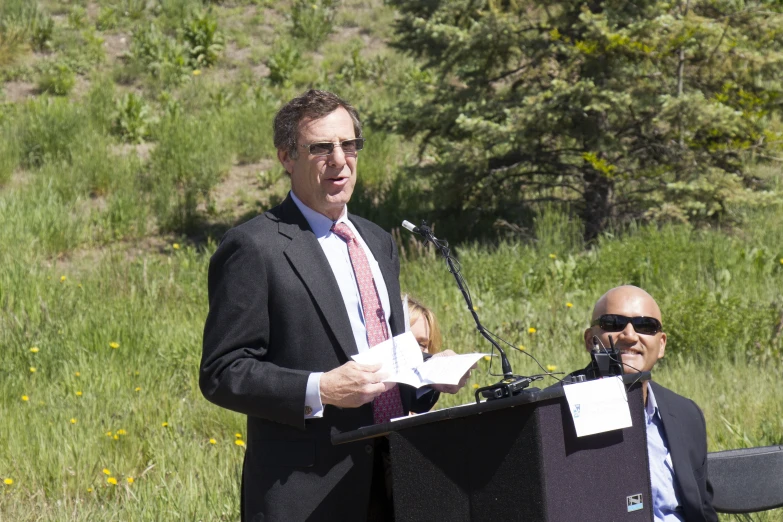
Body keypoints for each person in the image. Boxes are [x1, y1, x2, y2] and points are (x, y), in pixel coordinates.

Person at [200, 89, 470, 522]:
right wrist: (321, 390)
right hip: (307, 493)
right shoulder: (254, 248)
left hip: (395, 479)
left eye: (349, 145)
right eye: (321, 148)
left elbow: (384, 360)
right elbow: (222, 372)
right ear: (287, 157)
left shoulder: (378, 241)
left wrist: (426, 379)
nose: (339, 160)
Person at [570, 285, 717, 522]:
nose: (629, 335)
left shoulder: (686, 414)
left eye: (645, 326)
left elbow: (702, 509)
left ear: (661, 344)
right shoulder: (556, 414)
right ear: (590, 340)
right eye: (613, 323)